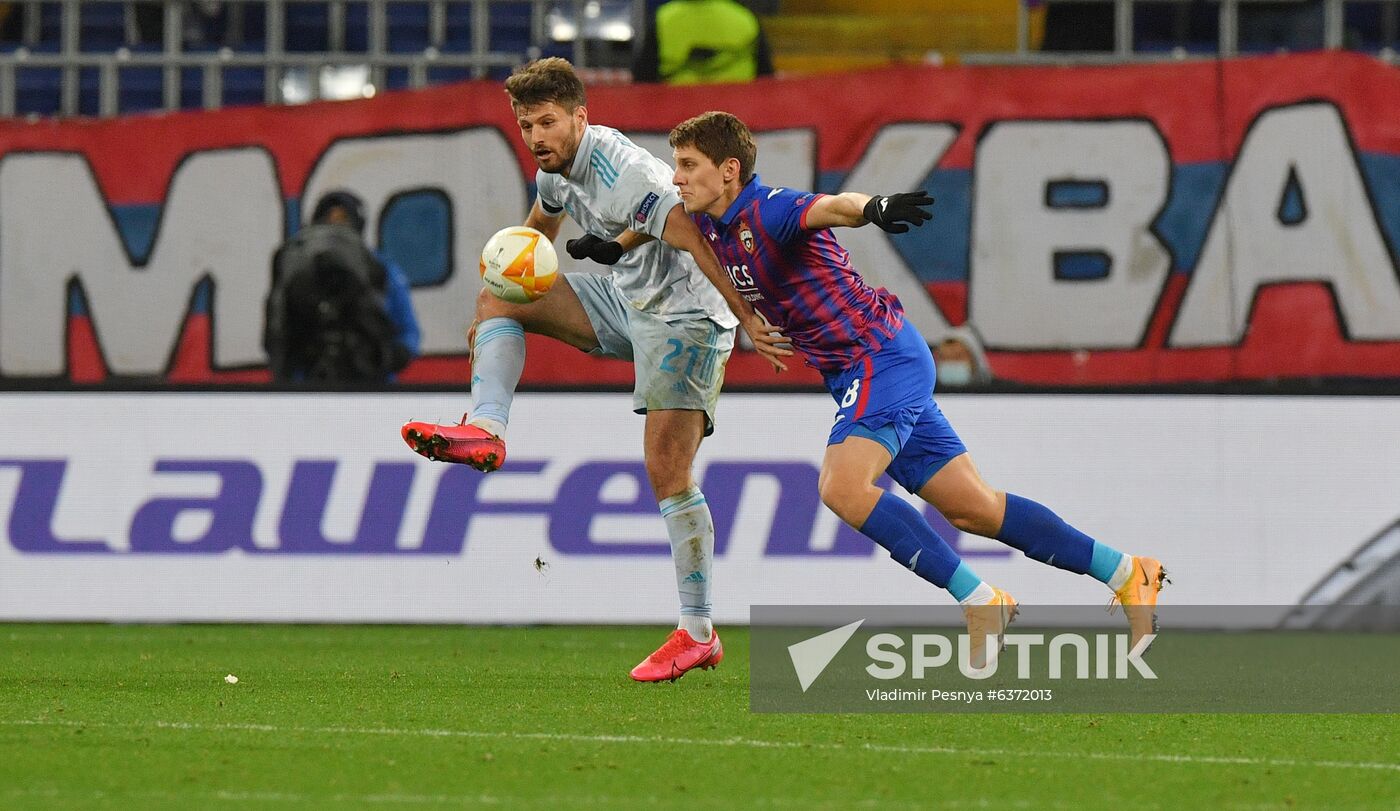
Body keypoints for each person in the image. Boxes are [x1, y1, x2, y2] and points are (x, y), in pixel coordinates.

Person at [629, 111, 1166, 664]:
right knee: (975, 509)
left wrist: (875, 208)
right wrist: (616, 245)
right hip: (864, 368)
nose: (677, 177)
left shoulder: (770, 209)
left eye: (689, 165)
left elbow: (829, 207)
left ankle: (981, 600)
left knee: (841, 487)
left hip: (878, 357)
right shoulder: (713, 223)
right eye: (676, 165)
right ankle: (1126, 571)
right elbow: (657, 221)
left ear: (730, 170)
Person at [399, 59, 790, 682]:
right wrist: (501, 285)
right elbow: (540, 233)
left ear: (581, 117)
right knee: (501, 297)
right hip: (629, 300)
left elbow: (693, 234)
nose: (535, 137)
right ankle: (487, 429)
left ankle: (698, 633)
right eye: (526, 125)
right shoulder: (554, 171)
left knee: (667, 469)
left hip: (688, 317)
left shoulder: (626, 173)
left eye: (548, 122)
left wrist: (745, 317)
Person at [264, 190, 420, 383]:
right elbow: (277, 330)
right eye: (330, 219)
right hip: (306, 387)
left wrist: (386, 358)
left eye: (343, 219)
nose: (336, 226)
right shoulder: (293, 268)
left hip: (372, 389)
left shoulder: (381, 268)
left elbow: (408, 332)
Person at [631, 0, 775, 85]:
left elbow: (643, 77)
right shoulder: (744, 17)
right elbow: (766, 76)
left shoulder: (664, 18)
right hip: (738, 111)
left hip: (678, 112)